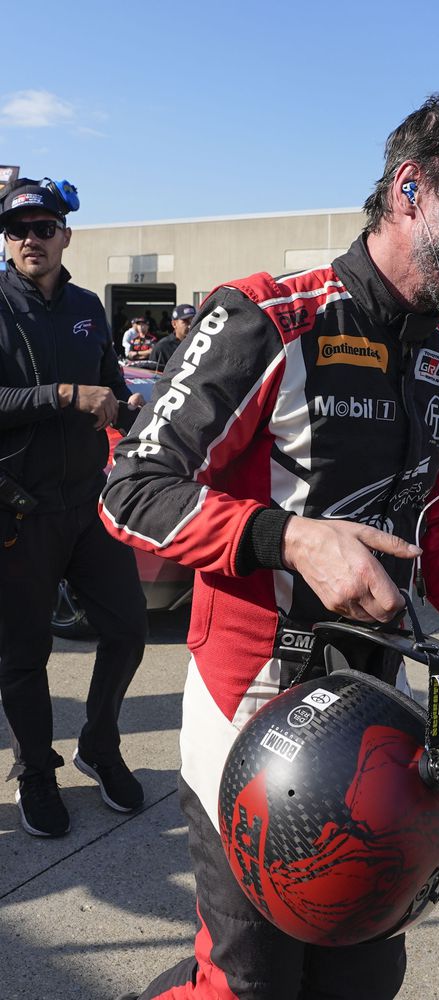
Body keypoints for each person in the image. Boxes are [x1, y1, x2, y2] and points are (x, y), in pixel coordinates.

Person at [100, 91, 439, 1000]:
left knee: (363, 968)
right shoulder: (266, 316)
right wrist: (291, 540)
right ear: (411, 189)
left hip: (379, 699)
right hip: (253, 697)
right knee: (249, 979)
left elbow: (430, 530)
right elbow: (130, 490)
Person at [0, 177, 147, 839]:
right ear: (7, 240)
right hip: (19, 512)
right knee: (23, 655)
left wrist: (138, 406)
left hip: (89, 506)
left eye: (43, 226)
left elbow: (112, 386)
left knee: (128, 629)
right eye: (18, 229)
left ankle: (99, 744)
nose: (31, 239)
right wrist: (63, 394)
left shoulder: (89, 305)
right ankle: (36, 770)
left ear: (65, 234)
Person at [149, 303, 196, 370]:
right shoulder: (162, 347)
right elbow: (153, 375)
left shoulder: (203, 344)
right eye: (186, 321)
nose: (190, 325)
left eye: (193, 321)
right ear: (174, 324)